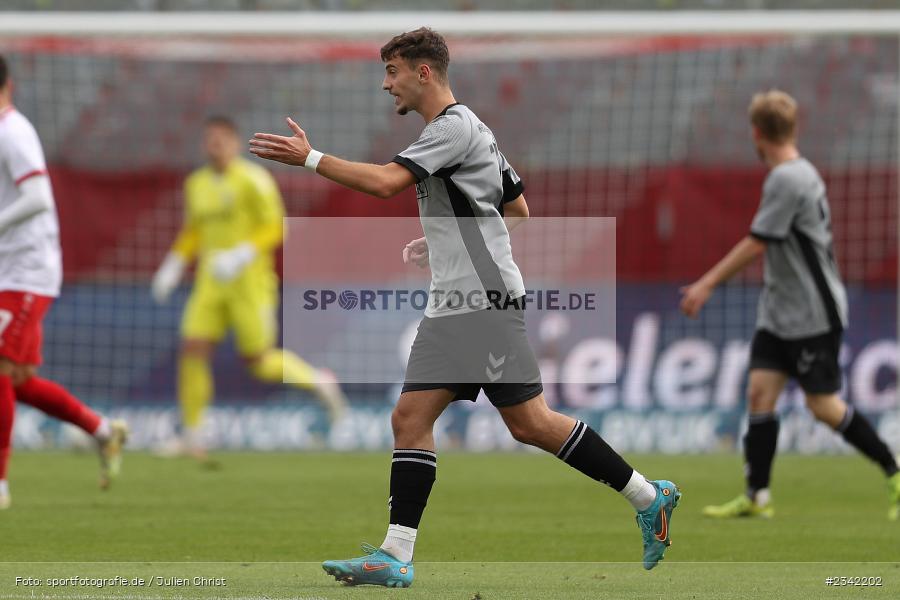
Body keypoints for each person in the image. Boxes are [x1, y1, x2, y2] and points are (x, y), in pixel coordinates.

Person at [249, 28, 680, 587]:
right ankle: (397, 555)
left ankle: (649, 497)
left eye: (393, 72)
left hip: (482, 303)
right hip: (460, 301)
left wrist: (310, 158)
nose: (386, 85)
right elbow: (517, 206)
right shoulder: (471, 129)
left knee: (521, 423)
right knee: (449, 420)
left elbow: (384, 184)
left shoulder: (451, 128)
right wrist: (445, 238)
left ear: (423, 72)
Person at [681, 89, 900, 521]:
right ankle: (757, 496)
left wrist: (705, 284)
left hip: (811, 312)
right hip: (780, 310)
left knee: (823, 406)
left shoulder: (787, 178)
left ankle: (894, 472)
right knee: (759, 393)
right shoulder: (800, 172)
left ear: (756, 134)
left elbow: (758, 242)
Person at [151, 116, 346, 461]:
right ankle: (193, 435)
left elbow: (275, 227)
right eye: (210, 140)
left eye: (222, 140)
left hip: (250, 284)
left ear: (234, 143)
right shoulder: (196, 183)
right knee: (192, 348)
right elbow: (193, 230)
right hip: (210, 284)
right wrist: (173, 265)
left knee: (258, 361)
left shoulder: (254, 180)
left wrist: (241, 255)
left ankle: (318, 381)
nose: (215, 146)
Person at [0, 55, 128, 509]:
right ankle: (101, 430)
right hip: (9, 269)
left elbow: (36, 197)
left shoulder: (14, 132)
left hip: (27, 271)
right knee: (14, 379)